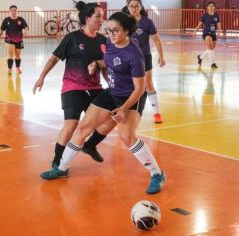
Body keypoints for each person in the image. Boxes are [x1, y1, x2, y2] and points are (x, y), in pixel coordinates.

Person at [40, 12, 166, 195]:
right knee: (83, 128)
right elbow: (109, 62)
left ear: (127, 31)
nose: (111, 34)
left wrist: (123, 109)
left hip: (131, 98)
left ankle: (157, 174)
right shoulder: (109, 43)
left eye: (115, 31)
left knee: (126, 136)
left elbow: (139, 88)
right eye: (109, 30)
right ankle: (62, 168)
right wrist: (97, 64)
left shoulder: (135, 54)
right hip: (111, 93)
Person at [33, 1, 115, 169]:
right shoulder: (72, 38)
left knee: (112, 117)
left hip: (94, 87)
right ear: (87, 18)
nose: (102, 19)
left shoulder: (103, 41)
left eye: (102, 16)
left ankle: (90, 145)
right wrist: (41, 77)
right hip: (73, 87)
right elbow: (54, 58)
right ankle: (57, 161)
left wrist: (110, 84)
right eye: (98, 16)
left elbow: (105, 65)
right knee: (71, 124)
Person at [125, 0, 165, 124]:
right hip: (127, 57)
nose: (134, 8)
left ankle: (157, 113)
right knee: (127, 85)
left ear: (141, 7)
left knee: (148, 84)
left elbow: (157, 40)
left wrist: (161, 56)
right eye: (131, 6)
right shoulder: (124, 21)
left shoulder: (147, 22)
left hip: (144, 57)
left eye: (137, 5)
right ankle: (125, 110)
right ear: (127, 7)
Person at [0, 5, 29, 75]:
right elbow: (1, 29)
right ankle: (10, 69)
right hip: (9, 39)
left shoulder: (20, 19)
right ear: (10, 11)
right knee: (11, 54)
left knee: (17, 55)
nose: (13, 12)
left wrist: (26, 31)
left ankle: (17, 68)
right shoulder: (6, 20)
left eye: (15, 10)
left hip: (19, 39)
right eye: (12, 10)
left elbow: (26, 27)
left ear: (17, 11)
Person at [194, 1, 221, 69]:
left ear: (214, 7)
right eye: (209, 6)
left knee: (210, 49)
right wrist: (195, 31)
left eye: (212, 6)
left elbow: (218, 25)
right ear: (207, 7)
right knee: (210, 47)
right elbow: (200, 24)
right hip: (206, 33)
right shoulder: (205, 15)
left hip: (213, 34)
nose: (211, 7)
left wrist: (219, 32)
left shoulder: (216, 15)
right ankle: (213, 63)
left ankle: (200, 57)